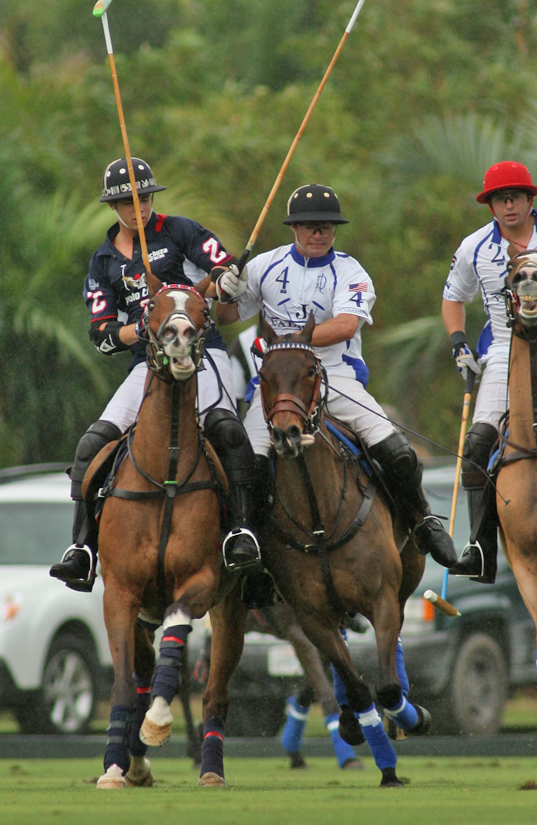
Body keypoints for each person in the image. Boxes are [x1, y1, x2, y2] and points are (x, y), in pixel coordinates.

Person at [215, 183, 458, 568]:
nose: (318, 233)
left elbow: (345, 325)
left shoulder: (350, 271)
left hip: (334, 376)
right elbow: (226, 317)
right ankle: (247, 539)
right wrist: (226, 291)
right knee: (247, 457)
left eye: (326, 226)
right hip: (278, 384)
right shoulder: (264, 265)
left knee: (394, 446)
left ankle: (422, 521)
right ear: (294, 228)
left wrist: (290, 343)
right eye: (310, 226)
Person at [50, 157, 261, 591]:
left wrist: (224, 281)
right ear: (113, 207)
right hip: (147, 363)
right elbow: (102, 335)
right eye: (127, 202)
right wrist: (145, 324)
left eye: (144, 198)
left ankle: (242, 532)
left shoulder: (180, 230)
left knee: (227, 430)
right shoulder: (103, 261)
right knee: (93, 441)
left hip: (202, 355)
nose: (138, 208)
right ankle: (83, 548)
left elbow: (217, 263)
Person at [442, 161, 537, 584]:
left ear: (530, 199)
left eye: (516, 196)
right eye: (501, 198)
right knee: (478, 443)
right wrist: (459, 341)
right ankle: (481, 549)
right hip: (504, 349)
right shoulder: (474, 248)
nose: (509, 205)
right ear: (491, 205)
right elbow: (452, 299)